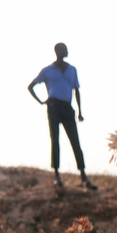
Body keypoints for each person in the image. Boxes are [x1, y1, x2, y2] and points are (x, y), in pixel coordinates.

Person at [27, 43, 97, 190]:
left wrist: (80, 111)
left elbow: (76, 90)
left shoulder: (72, 70)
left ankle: (83, 175)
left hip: (67, 106)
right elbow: (31, 86)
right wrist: (41, 101)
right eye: (63, 50)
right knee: (55, 140)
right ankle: (57, 175)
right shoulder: (48, 71)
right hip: (53, 106)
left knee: (75, 141)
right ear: (57, 52)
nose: (66, 52)